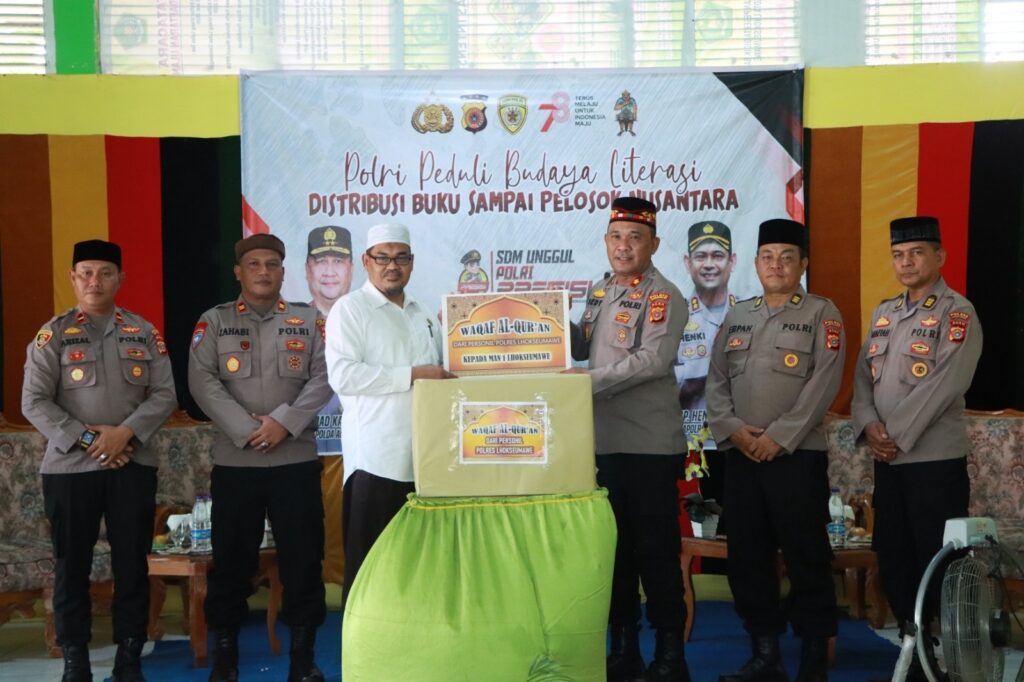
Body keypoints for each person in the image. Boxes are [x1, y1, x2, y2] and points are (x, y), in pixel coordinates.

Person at [22, 239, 177, 682]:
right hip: (70, 469)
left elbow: (165, 394)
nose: (95, 281)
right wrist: (92, 439)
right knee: (71, 565)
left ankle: (130, 658)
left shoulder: (143, 332)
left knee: (132, 565)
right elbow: (33, 401)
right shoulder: (53, 334)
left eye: (105, 273)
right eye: (86, 273)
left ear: (120, 279)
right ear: (73, 279)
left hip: (131, 463)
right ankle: (76, 660)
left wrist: (123, 435)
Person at [188, 233, 333, 682]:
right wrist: (248, 429)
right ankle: (225, 659)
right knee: (231, 564)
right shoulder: (214, 322)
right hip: (238, 462)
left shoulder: (309, 321)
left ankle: (303, 660)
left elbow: (325, 377)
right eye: (254, 264)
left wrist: (283, 423)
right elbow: (202, 381)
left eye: (272, 264)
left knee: (303, 563)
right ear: (239, 272)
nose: (263, 272)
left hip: (295, 461)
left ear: (283, 272)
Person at [706, 219, 844, 682]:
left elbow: (824, 383)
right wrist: (735, 431)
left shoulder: (823, 313)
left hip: (796, 457)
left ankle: (812, 656)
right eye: (768, 257)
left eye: (787, 257)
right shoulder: (738, 315)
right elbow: (716, 381)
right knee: (747, 557)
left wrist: (778, 437)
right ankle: (764, 653)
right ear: (756, 263)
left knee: (807, 555)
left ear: (803, 264)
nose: (776, 265)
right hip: (743, 456)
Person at [851, 216, 982, 682]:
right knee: (894, 552)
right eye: (898, 255)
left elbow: (946, 383)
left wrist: (893, 434)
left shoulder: (957, 312)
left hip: (933, 462)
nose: (906, 262)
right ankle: (915, 647)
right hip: (889, 461)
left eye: (917, 253)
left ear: (939, 257)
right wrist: (868, 424)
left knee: (936, 558)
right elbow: (863, 380)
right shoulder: (884, 313)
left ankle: (943, 655)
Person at [568, 196, 691, 682]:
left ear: (653, 244)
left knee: (655, 553)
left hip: (647, 448)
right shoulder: (600, 292)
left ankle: (670, 656)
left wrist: (584, 382)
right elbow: (580, 344)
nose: (624, 246)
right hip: (602, 446)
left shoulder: (664, 296)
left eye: (635, 238)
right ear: (606, 241)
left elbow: (652, 362)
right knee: (612, 553)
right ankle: (624, 651)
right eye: (616, 237)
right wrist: (539, 322)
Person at [324, 223, 453, 605]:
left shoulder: (423, 312)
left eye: (401, 258)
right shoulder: (350, 309)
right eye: (382, 258)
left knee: (416, 569)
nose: (392, 266)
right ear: (366, 262)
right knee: (370, 570)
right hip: (376, 462)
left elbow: (441, 371)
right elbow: (343, 376)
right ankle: (362, 643)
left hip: (425, 463)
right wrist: (412, 375)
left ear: (412, 262)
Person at [675, 221, 737, 514]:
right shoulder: (674, 315)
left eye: (717, 255)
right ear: (688, 263)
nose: (709, 264)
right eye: (701, 256)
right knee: (692, 530)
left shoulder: (748, 314)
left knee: (734, 526)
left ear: (732, 261)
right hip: (688, 445)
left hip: (737, 443)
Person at [305, 225, 353, 316]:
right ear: (307, 270)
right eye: (321, 261)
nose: (329, 272)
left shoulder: (368, 318)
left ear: (351, 270)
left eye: (338, 261)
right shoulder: (292, 321)